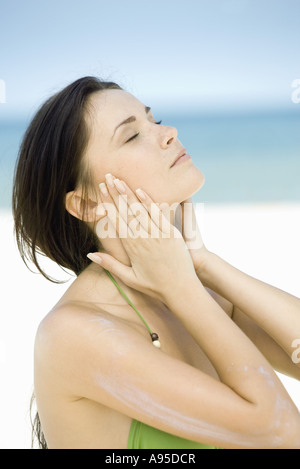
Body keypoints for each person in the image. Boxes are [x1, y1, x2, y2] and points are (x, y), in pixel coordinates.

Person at [13, 76, 300, 449]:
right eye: (132, 136)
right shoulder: (74, 333)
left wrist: (202, 263)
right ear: (85, 204)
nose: (168, 133)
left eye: (154, 119)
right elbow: (280, 432)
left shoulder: (201, 294)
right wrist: (183, 287)